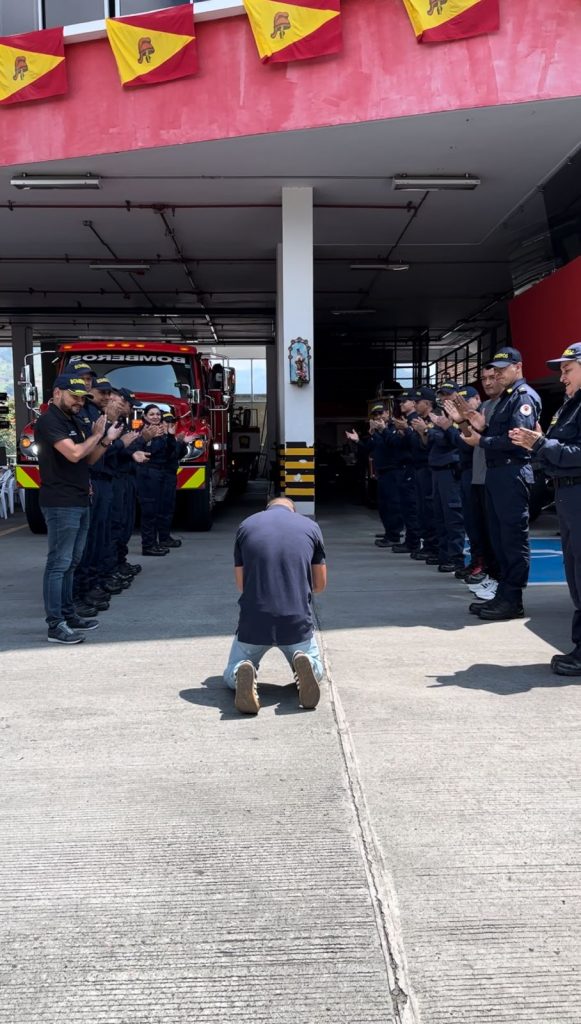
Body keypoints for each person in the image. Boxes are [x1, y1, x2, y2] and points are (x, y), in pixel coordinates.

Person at [34, 373, 123, 644]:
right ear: (57, 392)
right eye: (74, 396)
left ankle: (68, 614)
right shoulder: (49, 421)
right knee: (58, 563)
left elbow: (89, 458)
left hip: (80, 498)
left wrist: (105, 439)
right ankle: (55, 624)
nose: (78, 401)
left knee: (72, 562)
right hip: (61, 502)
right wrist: (96, 434)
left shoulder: (71, 419)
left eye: (82, 397)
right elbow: (73, 453)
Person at [510, 342, 581, 675]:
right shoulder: (570, 406)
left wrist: (541, 444)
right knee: (575, 576)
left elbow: (575, 453)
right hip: (568, 496)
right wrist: (539, 445)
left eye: (568, 369)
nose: (562, 376)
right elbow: (555, 454)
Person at [223, 497, 327, 714]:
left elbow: (241, 584)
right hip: (295, 619)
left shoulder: (247, 525)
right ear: (293, 510)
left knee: (232, 669)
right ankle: (304, 660)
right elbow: (319, 585)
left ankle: (244, 669)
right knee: (317, 671)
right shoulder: (310, 527)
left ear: (267, 509)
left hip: (255, 620)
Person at [462, 347, 541, 620]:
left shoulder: (523, 397)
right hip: (497, 473)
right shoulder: (507, 399)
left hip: (512, 472)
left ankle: (512, 599)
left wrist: (481, 440)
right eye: (494, 370)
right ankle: (503, 594)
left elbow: (518, 440)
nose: (497, 374)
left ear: (518, 367)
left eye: (502, 369)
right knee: (497, 538)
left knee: (511, 538)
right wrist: (482, 428)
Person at [345, 404, 403, 548]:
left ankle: (394, 535)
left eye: (380, 413)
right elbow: (368, 449)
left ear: (387, 413)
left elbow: (394, 445)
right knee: (383, 505)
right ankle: (389, 531)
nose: (378, 417)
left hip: (394, 471)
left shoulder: (394, 428)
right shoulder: (376, 433)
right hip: (382, 472)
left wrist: (382, 430)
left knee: (392, 505)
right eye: (375, 415)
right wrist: (358, 440)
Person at [135, 404, 172, 556]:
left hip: (160, 473)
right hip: (148, 473)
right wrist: (152, 438)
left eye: (158, 414)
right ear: (144, 416)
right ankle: (148, 545)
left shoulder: (162, 432)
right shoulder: (143, 433)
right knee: (149, 511)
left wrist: (170, 436)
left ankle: (155, 543)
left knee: (157, 510)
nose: (156, 417)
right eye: (151, 414)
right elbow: (151, 451)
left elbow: (171, 453)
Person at [159, 411, 188, 549]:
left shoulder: (169, 438)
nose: (169, 425)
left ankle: (165, 536)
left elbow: (179, 454)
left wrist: (181, 443)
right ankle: (159, 540)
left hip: (169, 476)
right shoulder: (160, 438)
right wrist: (179, 442)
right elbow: (172, 454)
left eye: (172, 423)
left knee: (168, 508)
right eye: (166, 422)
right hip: (161, 477)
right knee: (160, 509)